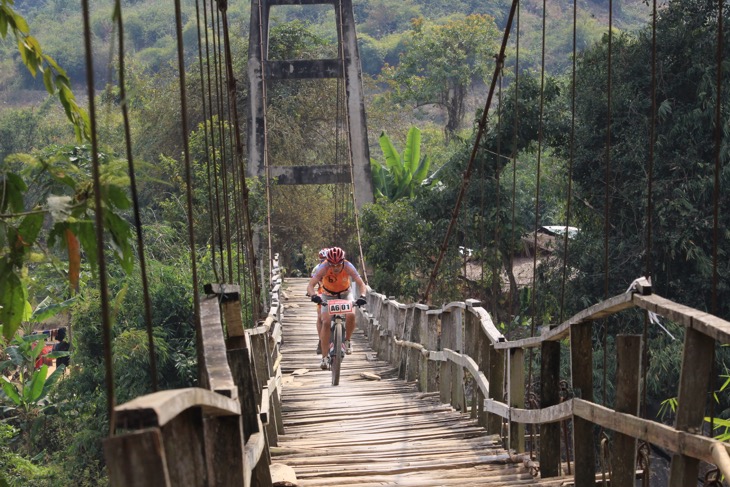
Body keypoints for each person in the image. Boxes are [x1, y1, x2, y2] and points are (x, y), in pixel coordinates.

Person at [307, 247, 367, 370]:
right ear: (327, 262)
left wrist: (362, 296)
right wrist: (314, 296)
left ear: (343, 261)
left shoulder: (348, 266)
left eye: (338, 265)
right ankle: (324, 357)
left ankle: (347, 341)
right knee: (326, 322)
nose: (335, 268)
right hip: (327, 295)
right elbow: (311, 284)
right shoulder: (323, 267)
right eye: (332, 265)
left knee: (351, 314)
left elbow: (361, 283)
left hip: (345, 293)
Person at [311, 248, 329, 355]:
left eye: (326, 260)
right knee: (319, 317)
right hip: (322, 293)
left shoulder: (337, 268)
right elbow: (312, 283)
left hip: (336, 293)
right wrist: (312, 294)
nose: (324, 262)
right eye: (322, 260)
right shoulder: (317, 269)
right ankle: (321, 340)